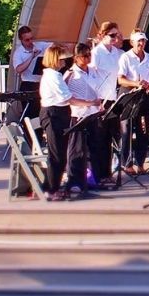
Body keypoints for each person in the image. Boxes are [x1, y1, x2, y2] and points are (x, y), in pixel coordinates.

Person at [39, 44, 93, 200]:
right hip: (53, 113)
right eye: (62, 59)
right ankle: (50, 189)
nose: (64, 61)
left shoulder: (55, 75)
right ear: (55, 59)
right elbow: (69, 98)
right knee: (57, 155)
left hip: (60, 113)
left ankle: (53, 186)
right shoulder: (52, 76)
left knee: (60, 153)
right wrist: (90, 103)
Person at [64, 42, 111, 190]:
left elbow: (98, 87)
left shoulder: (93, 70)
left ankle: (96, 178)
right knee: (77, 149)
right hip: (79, 114)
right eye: (85, 56)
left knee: (96, 146)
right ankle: (75, 180)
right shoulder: (71, 74)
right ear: (76, 58)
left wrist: (99, 102)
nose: (88, 58)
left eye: (89, 54)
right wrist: (89, 102)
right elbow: (68, 97)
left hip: (94, 113)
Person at [117, 30, 149, 174]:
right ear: (132, 42)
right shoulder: (125, 57)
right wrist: (136, 83)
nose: (141, 44)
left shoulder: (148, 57)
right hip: (128, 96)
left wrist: (147, 89)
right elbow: (121, 79)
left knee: (143, 130)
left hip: (142, 96)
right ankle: (126, 163)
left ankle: (140, 162)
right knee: (126, 129)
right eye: (139, 41)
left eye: (143, 41)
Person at [89, 21, 124, 182]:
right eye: (111, 35)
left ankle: (108, 173)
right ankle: (99, 174)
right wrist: (96, 100)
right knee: (100, 138)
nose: (115, 38)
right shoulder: (96, 53)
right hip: (100, 98)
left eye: (116, 35)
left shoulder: (117, 53)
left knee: (111, 136)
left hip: (112, 98)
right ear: (102, 35)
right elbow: (92, 75)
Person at [12, 25, 43, 119]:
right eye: (27, 40)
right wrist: (32, 57)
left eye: (31, 38)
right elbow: (18, 69)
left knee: (41, 113)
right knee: (31, 114)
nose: (30, 42)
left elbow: (55, 47)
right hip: (28, 84)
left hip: (41, 84)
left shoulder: (40, 45)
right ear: (21, 40)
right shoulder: (18, 53)